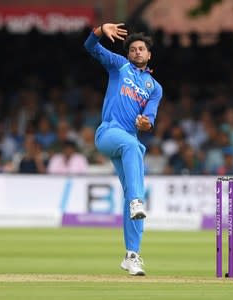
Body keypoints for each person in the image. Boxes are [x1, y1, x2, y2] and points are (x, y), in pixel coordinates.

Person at [84, 23, 163, 276]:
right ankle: (138, 201)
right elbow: (90, 47)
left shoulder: (155, 88)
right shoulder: (120, 65)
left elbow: (149, 120)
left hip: (128, 143)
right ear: (128, 54)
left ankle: (132, 255)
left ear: (149, 54)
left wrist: (145, 123)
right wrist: (99, 30)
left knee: (132, 180)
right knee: (133, 146)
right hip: (108, 133)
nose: (138, 52)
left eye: (142, 49)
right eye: (133, 49)